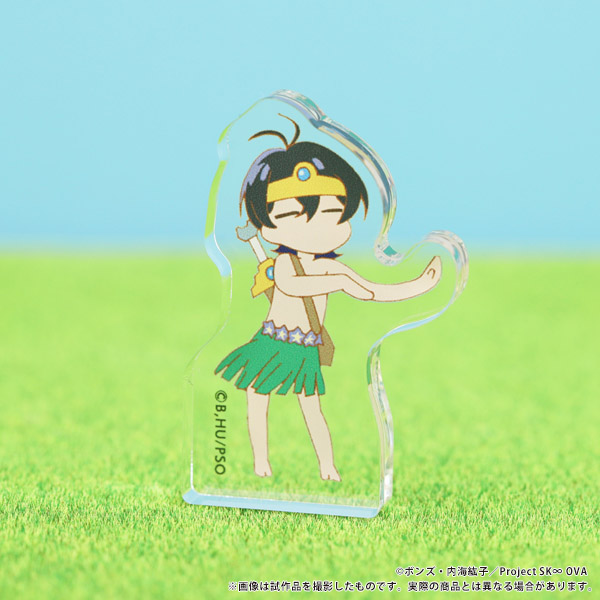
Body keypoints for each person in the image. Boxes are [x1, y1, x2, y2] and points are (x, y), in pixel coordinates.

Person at [215, 117, 441, 481]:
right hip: (272, 341)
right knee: (256, 397)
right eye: (293, 216)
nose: (318, 227)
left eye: (334, 214)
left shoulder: (332, 269)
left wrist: (419, 286)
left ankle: (327, 466)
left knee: (312, 408)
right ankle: (261, 463)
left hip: (304, 347)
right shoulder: (288, 263)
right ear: (268, 227)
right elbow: (291, 286)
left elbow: (371, 291)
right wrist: (336, 280)